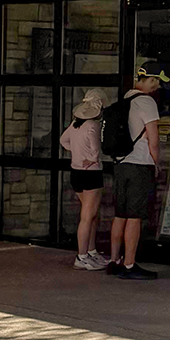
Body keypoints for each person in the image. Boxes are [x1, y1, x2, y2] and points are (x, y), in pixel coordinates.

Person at [107, 68, 165, 280]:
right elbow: (154, 138)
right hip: (140, 164)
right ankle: (130, 264)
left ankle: (114, 260)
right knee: (135, 216)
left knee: (120, 214)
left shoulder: (126, 99)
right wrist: (156, 163)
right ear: (146, 79)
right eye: (155, 81)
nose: (156, 86)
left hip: (121, 163)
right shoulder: (147, 102)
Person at [59, 91, 109, 271]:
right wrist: (92, 158)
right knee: (88, 217)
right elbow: (96, 150)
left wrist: (77, 153)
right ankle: (81, 256)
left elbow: (63, 141)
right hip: (91, 173)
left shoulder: (75, 125)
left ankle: (91, 251)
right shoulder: (92, 126)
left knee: (92, 216)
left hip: (76, 172)